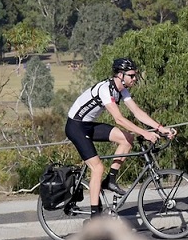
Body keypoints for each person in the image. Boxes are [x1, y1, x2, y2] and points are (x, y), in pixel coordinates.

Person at [65, 57, 176, 218]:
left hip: (88, 125)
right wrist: (145, 133)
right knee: (97, 168)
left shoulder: (122, 90)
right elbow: (119, 119)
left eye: (135, 75)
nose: (135, 78)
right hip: (75, 126)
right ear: (120, 75)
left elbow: (137, 112)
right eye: (131, 75)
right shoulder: (105, 89)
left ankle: (110, 180)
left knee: (127, 139)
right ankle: (95, 218)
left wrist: (160, 128)